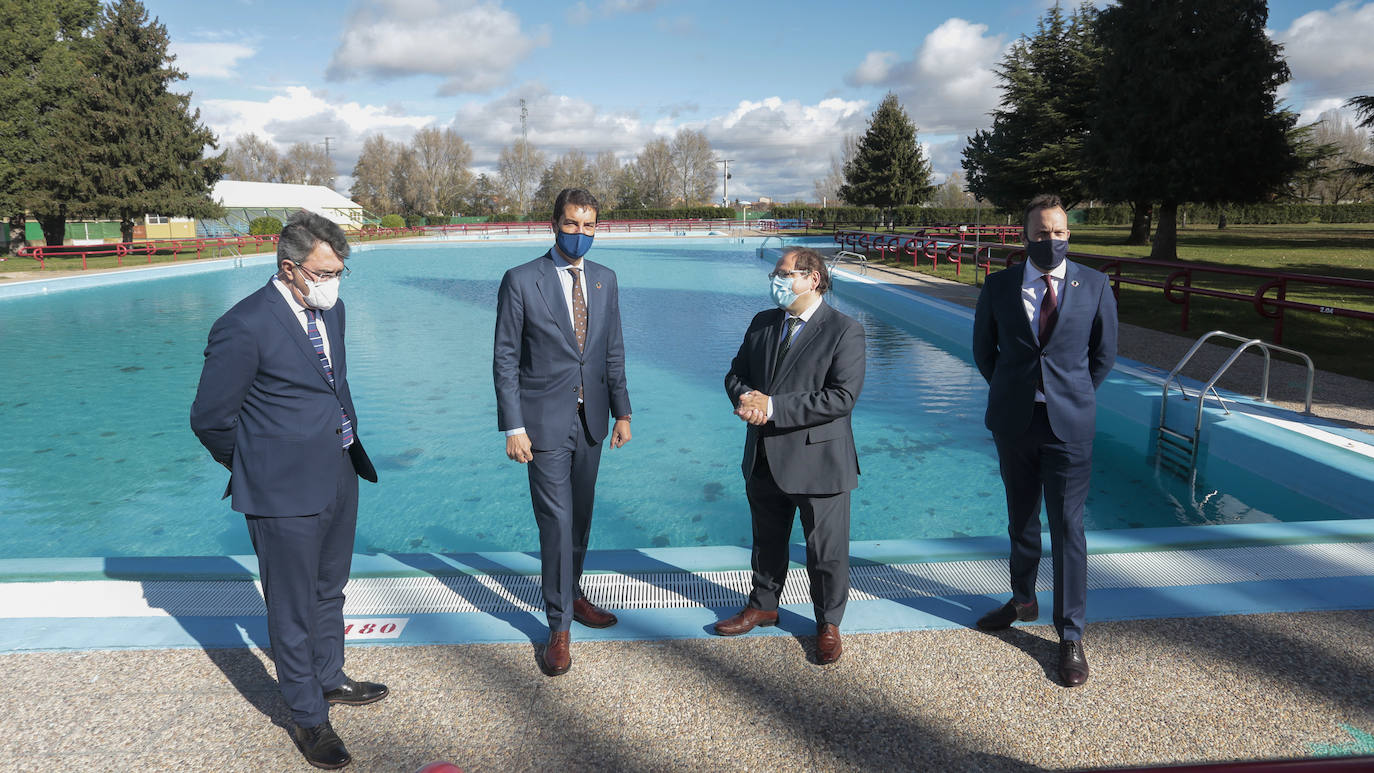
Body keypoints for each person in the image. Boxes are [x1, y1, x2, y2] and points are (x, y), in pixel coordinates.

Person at [190, 210, 385, 770]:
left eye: (341, 271)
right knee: (292, 607)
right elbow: (209, 419)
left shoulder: (335, 310)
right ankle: (307, 717)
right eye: (325, 272)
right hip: (281, 492)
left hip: (339, 475)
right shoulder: (244, 324)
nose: (335, 282)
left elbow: (332, 386)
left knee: (330, 590)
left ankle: (328, 677)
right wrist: (260, 467)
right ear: (290, 268)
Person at [971, 194, 1118, 687]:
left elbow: (1103, 356)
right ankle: (1022, 599)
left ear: (1068, 234)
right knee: (1021, 519)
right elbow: (984, 354)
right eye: (1040, 233)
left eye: (1058, 232)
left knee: (1068, 529)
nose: (1050, 240)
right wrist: (1019, 393)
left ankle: (1070, 633)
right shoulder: (998, 286)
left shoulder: (1095, 285)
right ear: (1024, 235)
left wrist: (1067, 396)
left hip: (1069, 427)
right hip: (1014, 422)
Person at [493, 188, 632, 676]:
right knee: (555, 522)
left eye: (589, 226)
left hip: (591, 419)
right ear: (554, 224)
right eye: (572, 224)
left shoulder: (605, 280)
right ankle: (559, 626)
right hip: (543, 423)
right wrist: (513, 426)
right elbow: (505, 358)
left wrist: (623, 412)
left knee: (581, 517)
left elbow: (612, 349)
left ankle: (574, 594)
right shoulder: (521, 280)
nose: (580, 234)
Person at [715, 246, 866, 665]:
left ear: (812, 278)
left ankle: (828, 623)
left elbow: (841, 397)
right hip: (764, 454)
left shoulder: (844, 330)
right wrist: (745, 396)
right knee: (766, 541)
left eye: (783, 274)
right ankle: (763, 604)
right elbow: (736, 373)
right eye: (774, 275)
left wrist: (773, 407)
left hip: (819, 461)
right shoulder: (763, 323)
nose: (775, 281)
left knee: (826, 550)